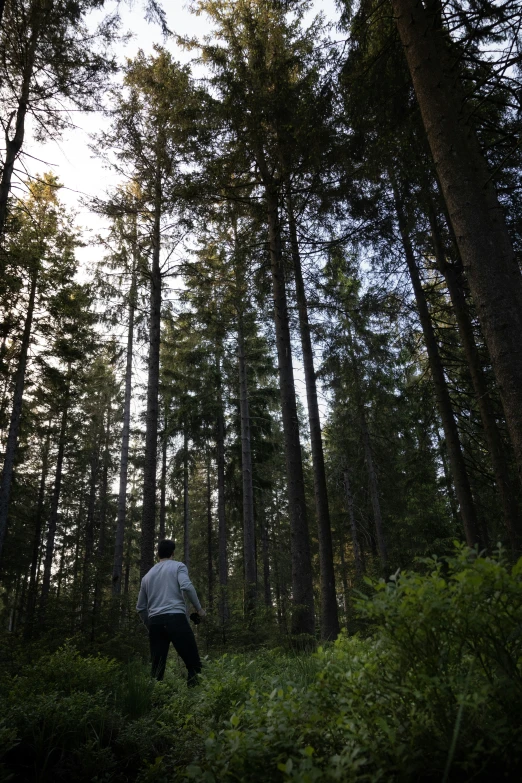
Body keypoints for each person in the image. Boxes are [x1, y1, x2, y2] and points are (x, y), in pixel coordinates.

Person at [136, 539, 206, 685]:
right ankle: (194, 702)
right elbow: (186, 586)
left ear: (157, 555)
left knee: (156, 671)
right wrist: (199, 610)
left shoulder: (147, 576)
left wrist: (151, 626)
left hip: (155, 623)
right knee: (194, 664)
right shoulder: (178, 566)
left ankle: (155, 703)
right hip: (176, 619)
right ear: (173, 553)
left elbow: (141, 608)